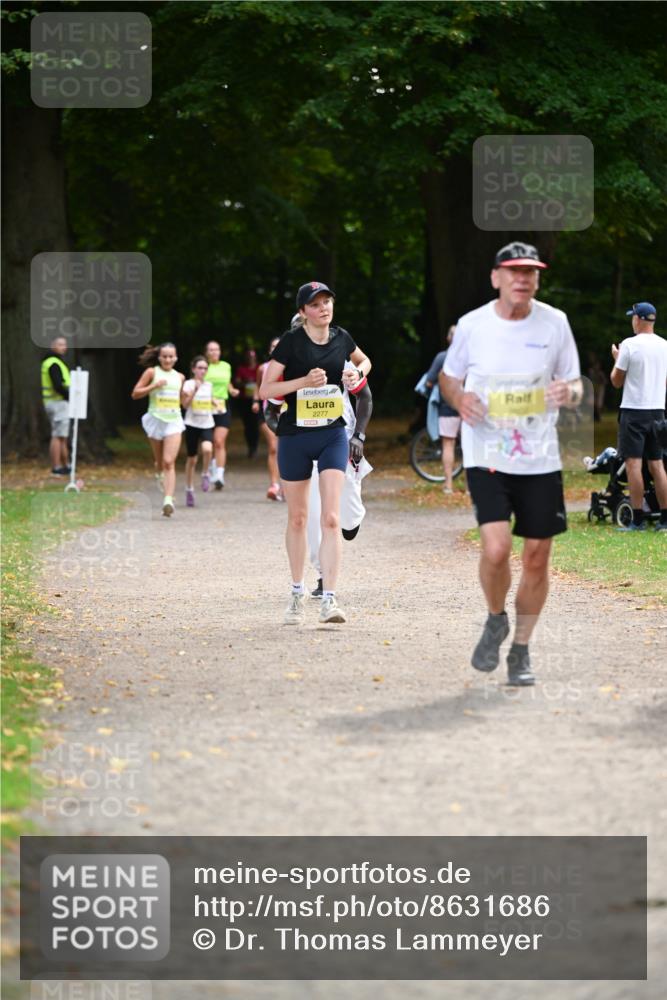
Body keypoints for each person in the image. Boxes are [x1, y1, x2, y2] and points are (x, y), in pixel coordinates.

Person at [441, 241, 582, 686]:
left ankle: (520, 650)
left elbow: (575, 382)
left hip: (539, 455)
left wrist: (570, 393)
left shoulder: (555, 322)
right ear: (496, 277)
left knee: (537, 558)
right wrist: (459, 397)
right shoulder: (472, 325)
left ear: (537, 279)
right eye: (514, 271)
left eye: (531, 272)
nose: (523, 279)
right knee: (497, 548)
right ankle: (495, 616)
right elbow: (449, 376)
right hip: (488, 453)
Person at [259, 281, 371, 625]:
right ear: (303, 311)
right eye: (316, 304)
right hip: (295, 435)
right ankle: (296, 593)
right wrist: (302, 383)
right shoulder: (290, 343)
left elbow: (365, 361)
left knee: (332, 518)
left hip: (332, 434)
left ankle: (330, 600)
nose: (325, 308)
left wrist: (356, 373)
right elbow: (267, 389)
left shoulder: (342, 338)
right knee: (298, 518)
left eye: (328, 302)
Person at [308, 359, 373, 597]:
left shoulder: (339, 360)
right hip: (307, 442)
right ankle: (324, 575)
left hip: (341, 438)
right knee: (314, 513)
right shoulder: (289, 364)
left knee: (347, 516)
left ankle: (353, 519)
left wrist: (359, 436)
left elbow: (365, 397)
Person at [610, 301, 667, 532]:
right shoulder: (665, 345)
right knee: (657, 465)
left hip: (634, 412)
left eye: (632, 317)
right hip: (657, 411)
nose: (632, 321)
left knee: (633, 465)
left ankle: (637, 520)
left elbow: (616, 381)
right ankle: (664, 520)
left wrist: (616, 358)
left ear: (639, 319)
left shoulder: (629, 346)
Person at [131, 342, 185, 517]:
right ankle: (159, 472)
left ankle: (167, 500)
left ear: (176, 358)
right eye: (165, 356)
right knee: (160, 462)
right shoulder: (152, 372)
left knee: (169, 461)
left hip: (174, 421)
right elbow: (135, 393)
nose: (168, 359)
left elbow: (182, 401)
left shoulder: (180, 377)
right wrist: (154, 386)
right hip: (155, 420)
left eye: (171, 356)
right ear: (159, 357)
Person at [425, 325, 461, 494]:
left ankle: (448, 485)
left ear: (448, 338)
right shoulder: (469, 358)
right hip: (469, 408)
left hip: (447, 408)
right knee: (470, 446)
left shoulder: (442, 358)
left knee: (448, 444)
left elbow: (429, 382)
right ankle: (470, 488)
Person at [204, 341, 240, 490]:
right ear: (206, 352)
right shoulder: (203, 367)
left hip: (222, 406)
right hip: (205, 406)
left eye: (216, 349)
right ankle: (211, 468)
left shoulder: (226, 366)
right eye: (211, 350)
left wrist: (232, 390)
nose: (214, 352)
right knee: (209, 442)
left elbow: (227, 383)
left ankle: (219, 475)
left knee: (219, 441)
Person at [181, 355, 215, 507]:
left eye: (205, 368)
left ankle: (206, 473)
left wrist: (214, 403)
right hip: (191, 424)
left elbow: (210, 400)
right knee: (192, 459)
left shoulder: (209, 385)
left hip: (207, 423)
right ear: (193, 369)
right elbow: (185, 405)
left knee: (208, 449)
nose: (202, 371)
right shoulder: (187, 384)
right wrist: (194, 391)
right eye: (200, 368)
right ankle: (189, 489)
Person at [254, 338, 283, 501]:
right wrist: (255, 402)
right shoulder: (263, 368)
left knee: (286, 448)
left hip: (287, 411)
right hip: (268, 411)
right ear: (270, 350)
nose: (276, 348)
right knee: (273, 447)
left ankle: (287, 485)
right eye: (273, 346)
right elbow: (258, 388)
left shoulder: (292, 365)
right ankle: (274, 484)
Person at [41, 336, 71, 475]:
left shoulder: (52, 362)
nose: (64, 347)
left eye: (65, 344)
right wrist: (69, 396)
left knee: (62, 435)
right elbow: (58, 385)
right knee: (58, 435)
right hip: (58, 403)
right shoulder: (54, 363)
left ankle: (66, 465)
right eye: (60, 344)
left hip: (53, 403)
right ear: (52, 345)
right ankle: (57, 466)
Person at [235, 348, 260, 458]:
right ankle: (250, 446)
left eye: (252, 356)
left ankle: (254, 447)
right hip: (244, 400)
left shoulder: (260, 368)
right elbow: (237, 382)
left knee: (256, 425)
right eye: (249, 356)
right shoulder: (241, 369)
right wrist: (246, 382)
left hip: (257, 400)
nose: (251, 358)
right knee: (248, 425)